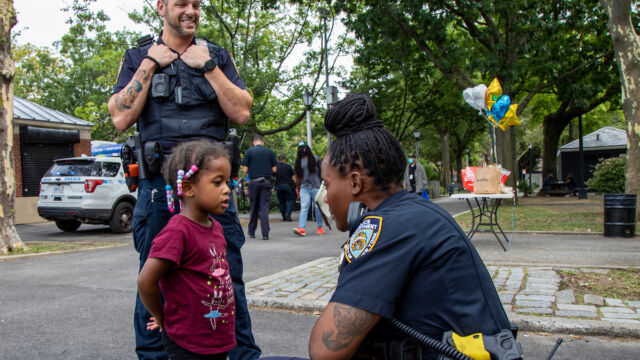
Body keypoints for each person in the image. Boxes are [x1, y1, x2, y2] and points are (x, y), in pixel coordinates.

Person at [107, 1, 261, 358]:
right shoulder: (138, 55)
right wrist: (150, 63)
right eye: (181, 3)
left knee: (226, 283)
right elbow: (120, 117)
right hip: (159, 193)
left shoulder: (216, 55)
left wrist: (206, 66)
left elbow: (241, 110)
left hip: (212, 191)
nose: (190, 11)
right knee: (155, 282)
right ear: (162, 6)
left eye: (196, 4)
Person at [310, 94, 511, 360]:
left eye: (327, 183)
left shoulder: (385, 228)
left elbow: (324, 351)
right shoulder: (413, 214)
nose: (325, 197)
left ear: (356, 183)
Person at [138, 141, 235, 360]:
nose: (227, 189)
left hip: (217, 339)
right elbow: (145, 281)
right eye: (217, 182)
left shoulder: (216, 228)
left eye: (227, 182)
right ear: (189, 187)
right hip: (188, 344)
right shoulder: (177, 232)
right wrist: (161, 317)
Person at [242, 135, 277, 240]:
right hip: (266, 182)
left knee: (254, 207)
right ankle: (265, 234)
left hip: (254, 182)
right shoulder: (270, 152)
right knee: (264, 207)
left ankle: (251, 232)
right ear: (263, 142)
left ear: (254, 142)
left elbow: (244, 170)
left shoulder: (249, 152)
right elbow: (275, 170)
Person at [293, 142, 324, 236]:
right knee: (304, 208)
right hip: (304, 188)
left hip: (316, 186)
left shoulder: (316, 158)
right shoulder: (298, 161)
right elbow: (298, 176)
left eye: (304, 147)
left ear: (308, 148)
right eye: (301, 148)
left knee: (317, 208)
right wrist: (298, 187)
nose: (303, 149)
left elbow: (322, 172)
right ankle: (301, 228)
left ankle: (320, 227)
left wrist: (323, 184)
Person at [275, 155, 296, 222]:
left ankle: (284, 216)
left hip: (279, 186)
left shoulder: (276, 168)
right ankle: (288, 213)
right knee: (290, 200)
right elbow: (294, 176)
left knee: (282, 201)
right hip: (288, 186)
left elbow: (273, 177)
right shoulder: (288, 166)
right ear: (284, 160)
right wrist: (296, 185)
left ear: (278, 160)